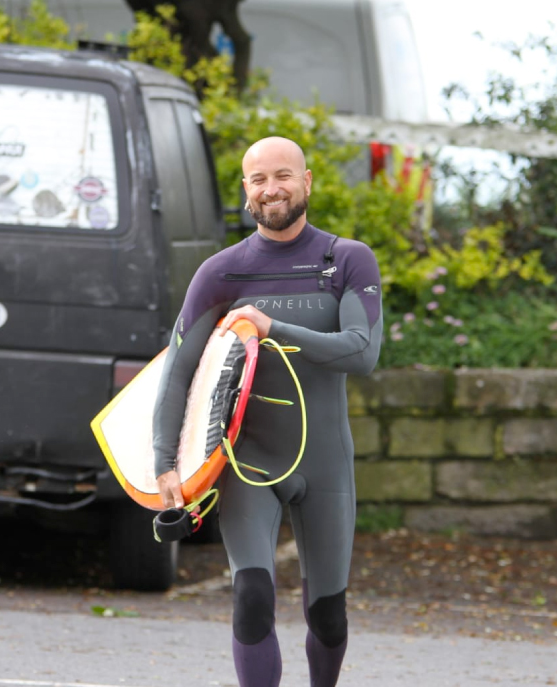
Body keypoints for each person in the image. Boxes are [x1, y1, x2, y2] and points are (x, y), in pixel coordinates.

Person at [151, 136, 383, 687]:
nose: (271, 189)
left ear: (307, 182)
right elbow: (178, 370)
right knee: (251, 594)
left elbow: (363, 351)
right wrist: (165, 462)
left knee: (327, 612)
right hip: (249, 462)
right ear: (245, 190)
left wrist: (272, 327)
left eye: (282, 176)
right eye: (258, 179)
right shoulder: (220, 272)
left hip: (326, 466)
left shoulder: (346, 259)